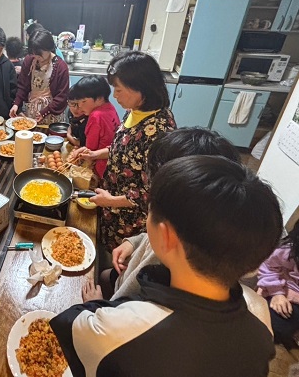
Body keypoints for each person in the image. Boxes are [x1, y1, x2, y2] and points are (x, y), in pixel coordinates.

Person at [50, 155, 283, 377]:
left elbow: (70, 326)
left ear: (166, 236)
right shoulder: (261, 316)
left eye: (150, 210)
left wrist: (92, 306)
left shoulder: (119, 329)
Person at [107, 128, 242, 301]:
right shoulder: (180, 221)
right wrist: (134, 243)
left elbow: (127, 301)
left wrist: (100, 307)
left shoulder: (175, 258)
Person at [90, 51, 176, 251]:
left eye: (119, 89)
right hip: (112, 204)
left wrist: (112, 201)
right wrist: (96, 154)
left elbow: (153, 192)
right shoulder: (135, 110)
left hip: (130, 219)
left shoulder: (160, 132)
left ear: (141, 89)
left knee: (120, 259)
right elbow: (125, 149)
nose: (114, 95)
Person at [9, 29, 70, 124]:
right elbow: (22, 86)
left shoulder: (61, 67)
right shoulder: (29, 61)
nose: (36, 57)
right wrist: (16, 104)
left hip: (52, 113)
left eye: (39, 54)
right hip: (32, 110)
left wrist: (45, 112)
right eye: (33, 54)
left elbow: (62, 96)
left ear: (49, 48)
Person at [66, 75, 119, 178]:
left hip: (100, 167)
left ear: (99, 98)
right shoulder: (110, 107)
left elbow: (89, 149)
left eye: (84, 101)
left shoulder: (95, 116)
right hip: (112, 161)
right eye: (78, 102)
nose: (80, 106)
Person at [258, 221, 299, 348]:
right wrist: (277, 293)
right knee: (276, 326)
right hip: (282, 291)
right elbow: (268, 267)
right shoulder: (288, 251)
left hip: (292, 296)